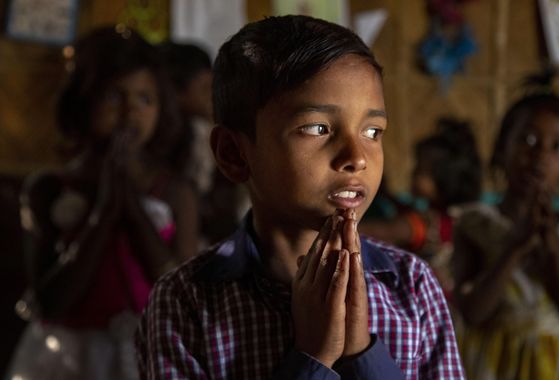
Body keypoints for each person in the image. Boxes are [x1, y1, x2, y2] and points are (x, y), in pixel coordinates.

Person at [136, 15, 464, 379]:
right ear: (234, 153)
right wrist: (313, 357)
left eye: (372, 131)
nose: (356, 157)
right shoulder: (186, 302)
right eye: (317, 128)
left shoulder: (412, 287)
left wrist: (360, 352)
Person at [7, 25, 198, 380]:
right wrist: (103, 212)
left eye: (145, 99)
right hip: (64, 356)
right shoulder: (48, 188)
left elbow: (178, 288)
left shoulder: (174, 190)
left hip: (149, 353)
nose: (130, 112)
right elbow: (51, 302)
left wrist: (126, 199)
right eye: (114, 97)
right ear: (83, 103)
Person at [452, 77, 559, 379]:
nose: (541, 155)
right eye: (528, 141)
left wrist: (553, 250)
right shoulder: (475, 225)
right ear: (502, 148)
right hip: (492, 364)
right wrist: (513, 249)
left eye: (557, 147)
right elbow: (472, 312)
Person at [360, 117, 482, 294]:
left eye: (421, 169)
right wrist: (386, 195)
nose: (413, 173)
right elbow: (408, 211)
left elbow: (383, 231)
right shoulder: (456, 218)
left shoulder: (425, 225)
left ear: (444, 180)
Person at [158, 42, 249, 247]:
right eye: (204, 88)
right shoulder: (192, 133)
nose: (211, 97)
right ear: (175, 92)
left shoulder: (211, 131)